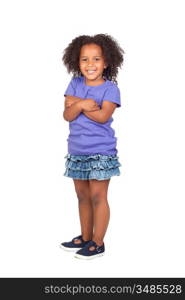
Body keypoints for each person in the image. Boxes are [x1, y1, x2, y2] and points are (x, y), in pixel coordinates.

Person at [60, 34, 124, 260]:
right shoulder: (75, 84)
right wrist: (82, 104)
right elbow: (67, 115)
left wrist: (78, 104)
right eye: (84, 60)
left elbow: (103, 116)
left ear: (106, 62)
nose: (90, 65)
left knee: (98, 196)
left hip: (101, 151)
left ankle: (98, 243)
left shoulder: (110, 88)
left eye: (96, 59)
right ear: (77, 62)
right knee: (82, 196)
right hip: (77, 150)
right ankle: (86, 237)